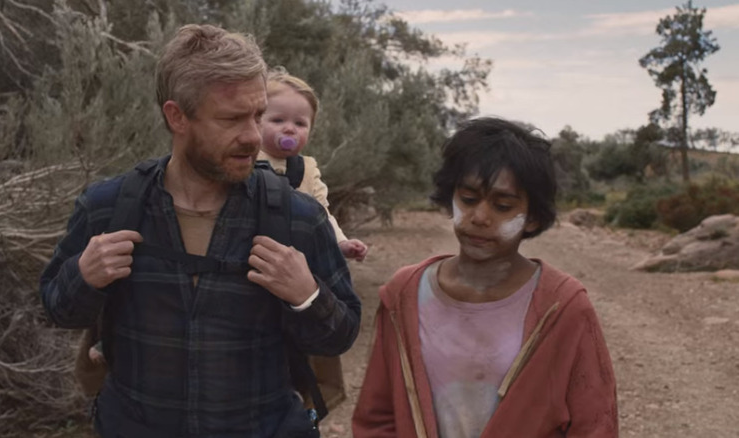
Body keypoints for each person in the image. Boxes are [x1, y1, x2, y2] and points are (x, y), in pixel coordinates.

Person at [40, 24, 361, 438]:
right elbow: (56, 309)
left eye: (258, 115)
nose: (252, 135)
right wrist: (82, 276)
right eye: (231, 118)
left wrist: (307, 296)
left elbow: (341, 335)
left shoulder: (297, 218)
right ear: (177, 116)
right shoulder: (108, 209)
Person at [352, 117, 618, 437]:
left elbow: (595, 425)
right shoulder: (403, 295)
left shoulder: (565, 307)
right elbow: (376, 418)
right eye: (468, 199)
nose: (480, 217)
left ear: (532, 217)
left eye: (502, 206)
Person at [257, 68, 368, 262]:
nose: (289, 129)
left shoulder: (306, 170)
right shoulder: (245, 160)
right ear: (255, 120)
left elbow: (322, 214)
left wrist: (340, 242)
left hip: (297, 260)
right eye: (277, 120)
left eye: (300, 124)